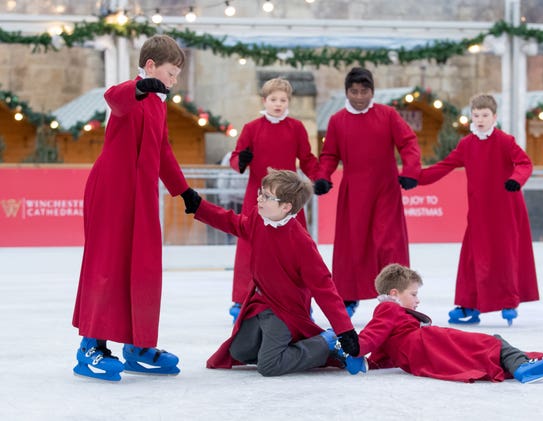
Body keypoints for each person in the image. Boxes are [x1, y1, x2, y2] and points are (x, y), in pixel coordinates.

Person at [71, 35, 202, 382]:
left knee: (144, 267)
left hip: (142, 197)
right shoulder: (132, 93)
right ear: (150, 67)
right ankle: (90, 345)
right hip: (111, 192)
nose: (174, 82)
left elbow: (163, 151)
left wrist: (183, 190)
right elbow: (113, 98)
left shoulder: (158, 105)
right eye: (171, 74)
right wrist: (140, 87)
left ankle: (138, 345)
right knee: (108, 265)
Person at [190, 168, 360, 376]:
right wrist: (200, 206)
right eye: (261, 193)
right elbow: (234, 223)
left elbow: (324, 287)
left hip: (285, 311)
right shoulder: (257, 218)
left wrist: (344, 330)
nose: (260, 199)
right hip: (260, 303)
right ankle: (283, 348)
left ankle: (326, 342)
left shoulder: (302, 243)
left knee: (269, 366)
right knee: (239, 351)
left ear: (286, 206)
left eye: (268, 197)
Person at [351, 264, 543, 383]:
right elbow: (371, 337)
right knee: (491, 342)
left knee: (492, 356)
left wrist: (364, 363)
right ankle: (528, 368)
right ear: (394, 293)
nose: (418, 300)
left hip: (429, 354)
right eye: (413, 294)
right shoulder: (387, 308)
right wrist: (353, 348)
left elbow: (382, 354)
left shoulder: (394, 315)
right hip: (431, 343)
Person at [419, 93, 538, 326]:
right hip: (479, 213)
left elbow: (525, 163)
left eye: (485, 115)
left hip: (506, 210)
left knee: (504, 255)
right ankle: (469, 302)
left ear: (494, 117)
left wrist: (516, 179)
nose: (480, 119)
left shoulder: (505, 141)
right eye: (476, 115)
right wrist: (417, 178)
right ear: (471, 117)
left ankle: (508, 300)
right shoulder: (467, 144)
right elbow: (445, 166)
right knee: (473, 258)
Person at [314, 67, 422, 317]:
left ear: (372, 92)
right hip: (354, 195)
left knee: (390, 245)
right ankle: (348, 296)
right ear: (346, 92)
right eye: (354, 91)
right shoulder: (338, 120)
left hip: (386, 191)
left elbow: (408, 142)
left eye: (365, 91)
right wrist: (322, 177)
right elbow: (330, 154)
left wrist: (410, 171)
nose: (360, 96)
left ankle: (398, 297)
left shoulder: (387, 115)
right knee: (354, 247)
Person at [226, 77, 319, 322]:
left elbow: (307, 158)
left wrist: (318, 176)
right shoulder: (251, 128)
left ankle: (301, 298)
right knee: (250, 245)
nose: (278, 104)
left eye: (283, 100)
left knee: (297, 245)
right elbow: (236, 158)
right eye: (273, 99)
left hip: (288, 197)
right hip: (258, 196)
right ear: (264, 101)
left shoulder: (296, 128)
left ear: (289, 101)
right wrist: (241, 161)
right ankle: (241, 300)